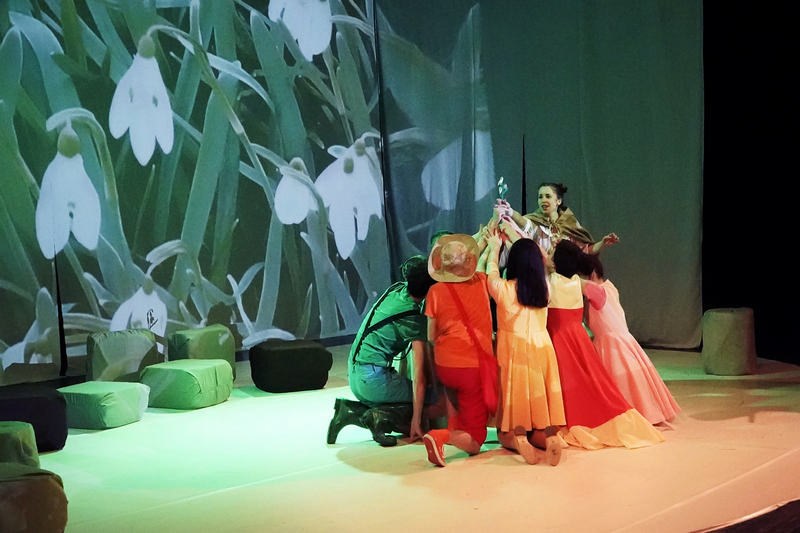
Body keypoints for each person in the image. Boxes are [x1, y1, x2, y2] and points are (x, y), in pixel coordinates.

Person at [547, 240, 664, 449]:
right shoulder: (580, 284)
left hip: (558, 338)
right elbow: (599, 295)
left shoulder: (549, 282)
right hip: (579, 339)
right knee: (588, 383)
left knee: (565, 382)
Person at [327, 255, 440, 446]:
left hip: (355, 374)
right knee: (433, 400)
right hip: (373, 380)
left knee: (406, 401)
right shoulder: (411, 317)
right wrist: (416, 420)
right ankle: (378, 416)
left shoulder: (395, 289)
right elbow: (420, 376)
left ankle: (350, 411)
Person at [485, 231, 566, 465]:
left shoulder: (502, 288)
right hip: (541, 348)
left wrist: (495, 247)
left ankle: (517, 439)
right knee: (539, 408)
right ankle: (549, 438)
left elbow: (490, 270)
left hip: (513, 351)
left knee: (510, 414)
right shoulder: (546, 288)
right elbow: (544, 260)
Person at [579, 253, 680, 426]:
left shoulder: (597, 291)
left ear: (592, 274)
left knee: (621, 382)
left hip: (611, 344)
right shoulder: (609, 287)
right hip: (621, 339)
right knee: (633, 380)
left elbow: (575, 284)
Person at [422, 234, 495, 467]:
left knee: (458, 404)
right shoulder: (481, 282)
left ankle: (453, 429)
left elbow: (430, 336)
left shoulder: (435, 291)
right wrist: (492, 244)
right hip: (470, 366)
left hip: (444, 364)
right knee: (476, 440)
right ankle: (441, 436)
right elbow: (484, 263)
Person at [494, 182, 619, 258]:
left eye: (548, 196)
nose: (543, 200)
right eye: (540, 197)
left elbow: (584, 251)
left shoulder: (569, 223)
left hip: (565, 280)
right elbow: (525, 224)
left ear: (558, 201)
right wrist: (510, 212)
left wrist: (602, 243)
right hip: (541, 278)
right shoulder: (535, 221)